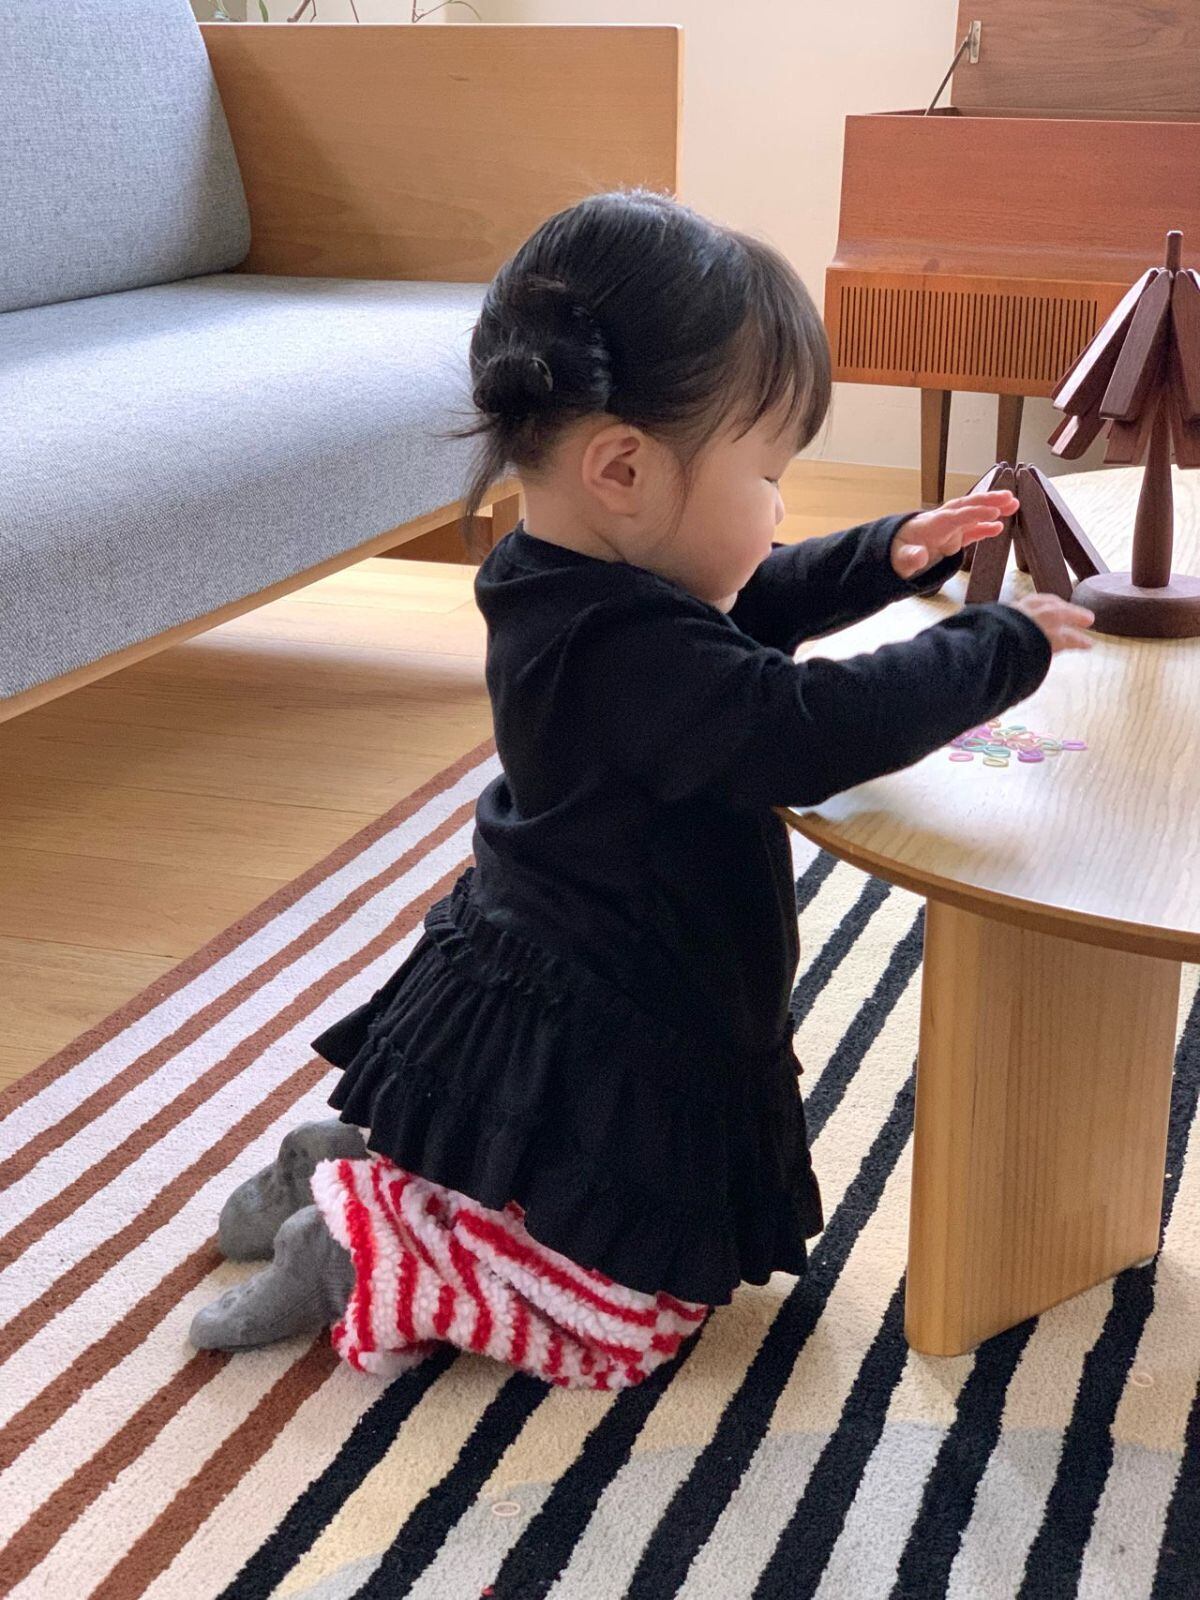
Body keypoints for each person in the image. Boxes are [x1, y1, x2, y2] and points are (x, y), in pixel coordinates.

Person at [189, 190, 1093, 1388]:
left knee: (526, 1167)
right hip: (629, 992)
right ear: (622, 467)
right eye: (768, 474)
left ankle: (351, 1162)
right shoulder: (631, 654)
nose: (780, 508)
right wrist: (999, 646)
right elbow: (801, 726)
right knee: (632, 1315)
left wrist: (884, 554)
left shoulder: (565, 578)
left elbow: (740, 599)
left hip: (551, 945)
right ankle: (366, 1243)